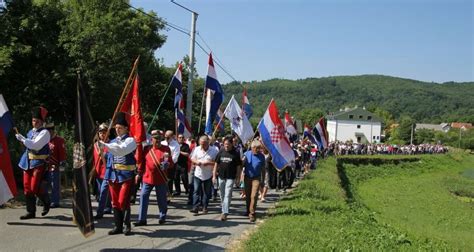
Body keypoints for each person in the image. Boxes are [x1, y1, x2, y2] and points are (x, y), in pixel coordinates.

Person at [101, 112, 137, 236]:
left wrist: (105, 145)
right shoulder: (111, 141)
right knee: (115, 202)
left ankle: (127, 225)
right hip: (112, 174)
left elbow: (121, 150)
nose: (117, 130)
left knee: (123, 201)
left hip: (126, 174)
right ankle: (118, 226)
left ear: (126, 128)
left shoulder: (131, 140)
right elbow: (108, 157)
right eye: (116, 128)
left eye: (120, 127)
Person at [15, 106, 51, 219]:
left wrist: (22, 139)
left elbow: (35, 145)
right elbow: (28, 145)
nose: (34, 122)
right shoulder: (30, 132)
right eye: (33, 120)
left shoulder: (45, 133)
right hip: (27, 161)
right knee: (26, 187)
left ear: (42, 121)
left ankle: (46, 201)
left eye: (37, 120)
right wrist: (23, 140)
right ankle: (31, 212)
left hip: (38, 162)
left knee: (34, 186)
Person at [134, 130, 173, 226]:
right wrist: (139, 173)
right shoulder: (147, 149)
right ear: (152, 139)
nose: (158, 140)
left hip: (160, 178)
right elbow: (141, 162)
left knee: (162, 199)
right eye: (156, 138)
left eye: (159, 138)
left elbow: (171, 163)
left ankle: (162, 216)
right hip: (148, 178)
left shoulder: (166, 149)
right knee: (143, 196)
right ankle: (142, 219)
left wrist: (167, 165)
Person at [212, 136, 242, 221]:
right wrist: (214, 176)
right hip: (221, 177)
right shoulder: (221, 152)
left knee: (228, 194)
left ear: (232, 144)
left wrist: (238, 178)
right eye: (225, 144)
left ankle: (224, 212)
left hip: (231, 177)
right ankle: (224, 207)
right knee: (222, 195)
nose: (226, 146)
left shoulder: (235, 153)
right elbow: (216, 164)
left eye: (228, 144)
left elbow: (238, 167)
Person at [189, 135, 218, 215]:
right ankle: (195, 207)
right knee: (196, 191)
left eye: (204, 144)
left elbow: (217, 162)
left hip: (208, 174)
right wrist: (196, 162)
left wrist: (208, 163)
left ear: (208, 143)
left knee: (206, 192)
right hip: (198, 173)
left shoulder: (214, 150)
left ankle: (205, 207)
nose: (202, 146)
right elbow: (192, 158)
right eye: (201, 144)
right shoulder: (197, 149)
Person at [242, 140, 265, 222]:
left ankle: (252, 213)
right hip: (247, 177)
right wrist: (242, 161)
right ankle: (248, 210)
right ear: (252, 148)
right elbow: (241, 165)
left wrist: (263, 180)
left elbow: (263, 170)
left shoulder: (261, 156)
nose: (259, 150)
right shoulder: (246, 154)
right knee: (248, 196)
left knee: (254, 195)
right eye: (257, 148)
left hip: (256, 178)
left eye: (259, 148)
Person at [45, 123, 66, 208]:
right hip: (44, 165)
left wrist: (62, 164)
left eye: (50, 131)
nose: (48, 133)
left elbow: (62, 153)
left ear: (53, 131)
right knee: (43, 184)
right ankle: (43, 200)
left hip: (54, 165)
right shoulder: (44, 140)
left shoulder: (59, 140)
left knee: (54, 184)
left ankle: (55, 201)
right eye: (47, 131)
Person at [93, 123, 112, 219]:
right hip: (98, 172)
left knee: (103, 191)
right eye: (101, 133)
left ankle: (100, 212)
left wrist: (103, 155)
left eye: (104, 132)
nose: (102, 135)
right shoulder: (96, 145)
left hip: (107, 171)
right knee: (101, 191)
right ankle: (108, 207)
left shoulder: (110, 145)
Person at [161, 130, 180, 198]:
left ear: (172, 137)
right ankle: (162, 194)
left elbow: (175, 156)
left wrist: (168, 164)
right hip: (162, 165)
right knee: (162, 180)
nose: (166, 138)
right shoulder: (162, 143)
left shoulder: (176, 145)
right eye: (165, 136)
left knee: (169, 180)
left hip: (171, 166)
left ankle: (169, 195)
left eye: (168, 137)